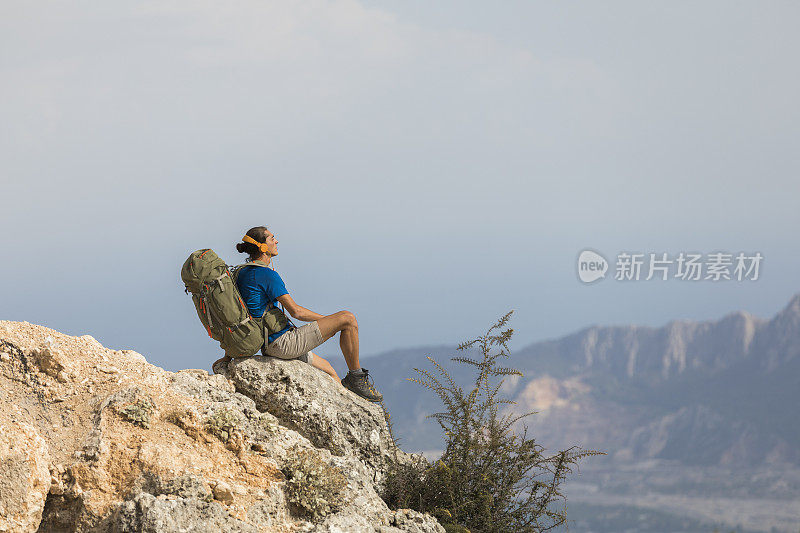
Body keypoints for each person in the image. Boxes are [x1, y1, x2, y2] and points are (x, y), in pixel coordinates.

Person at [231, 225, 383, 402]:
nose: (277, 241)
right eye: (272, 238)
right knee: (348, 319)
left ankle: (346, 403)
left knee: (330, 372)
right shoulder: (266, 274)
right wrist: (330, 321)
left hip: (267, 344)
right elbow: (296, 312)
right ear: (263, 247)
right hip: (283, 343)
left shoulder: (242, 272)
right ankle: (357, 378)